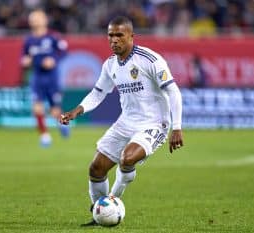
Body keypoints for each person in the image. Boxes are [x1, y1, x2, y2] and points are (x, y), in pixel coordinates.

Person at [60, 16, 184, 226]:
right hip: (126, 122)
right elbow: (97, 93)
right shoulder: (109, 65)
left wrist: (177, 127)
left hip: (154, 124)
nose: (114, 40)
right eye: (110, 35)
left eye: (119, 35)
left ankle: (111, 201)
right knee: (96, 168)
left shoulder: (150, 60)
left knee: (127, 159)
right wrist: (77, 111)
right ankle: (98, 214)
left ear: (131, 37)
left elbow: (173, 91)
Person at [21, 9, 70, 147]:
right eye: (32, 19)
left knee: (55, 110)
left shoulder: (53, 37)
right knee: (37, 108)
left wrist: (53, 60)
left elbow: (64, 51)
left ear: (44, 20)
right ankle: (45, 136)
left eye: (37, 18)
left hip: (52, 77)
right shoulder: (29, 40)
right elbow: (23, 58)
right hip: (37, 77)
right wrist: (26, 61)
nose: (35, 21)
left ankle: (62, 124)